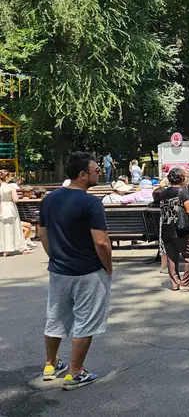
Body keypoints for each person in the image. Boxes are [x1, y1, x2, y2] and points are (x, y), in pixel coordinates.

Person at [39, 152, 112, 390]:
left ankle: (51, 365)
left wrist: (54, 257)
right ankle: (75, 372)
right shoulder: (91, 203)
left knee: (56, 316)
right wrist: (108, 267)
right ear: (82, 175)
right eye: (95, 170)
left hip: (59, 269)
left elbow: (42, 233)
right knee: (85, 321)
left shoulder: (50, 199)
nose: (98, 172)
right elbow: (101, 242)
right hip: (88, 270)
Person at [157, 167, 189, 291]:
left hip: (166, 228)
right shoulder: (183, 192)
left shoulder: (163, 193)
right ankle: (186, 282)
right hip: (181, 229)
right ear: (182, 178)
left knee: (171, 258)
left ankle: (175, 283)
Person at [0, 169, 31, 256]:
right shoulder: (11, 187)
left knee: (3, 229)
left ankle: (4, 249)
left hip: (2, 207)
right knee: (14, 228)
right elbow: (16, 200)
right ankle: (20, 247)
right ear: (7, 177)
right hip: (10, 207)